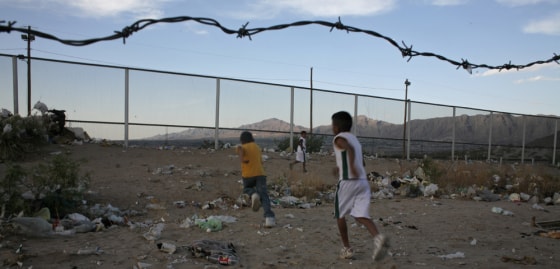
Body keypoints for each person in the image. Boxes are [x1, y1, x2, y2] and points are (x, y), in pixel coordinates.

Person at [330, 111, 387, 261]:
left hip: (349, 181)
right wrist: (342, 166)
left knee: (340, 214)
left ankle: (347, 248)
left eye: (332, 125)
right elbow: (361, 161)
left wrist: (351, 170)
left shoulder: (339, 138)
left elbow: (350, 149)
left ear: (336, 127)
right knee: (361, 215)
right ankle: (379, 239)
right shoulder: (355, 139)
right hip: (363, 182)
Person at [236, 131, 276, 228]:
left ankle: (253, 194)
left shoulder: (243, 146)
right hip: (260, 174)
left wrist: (242, 159)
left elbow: (240, 148)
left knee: (246, 189)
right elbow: (261, 162)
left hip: (248, 175)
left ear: (243, 139)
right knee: (264, 195)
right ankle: (269, 219)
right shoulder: (257, 147)